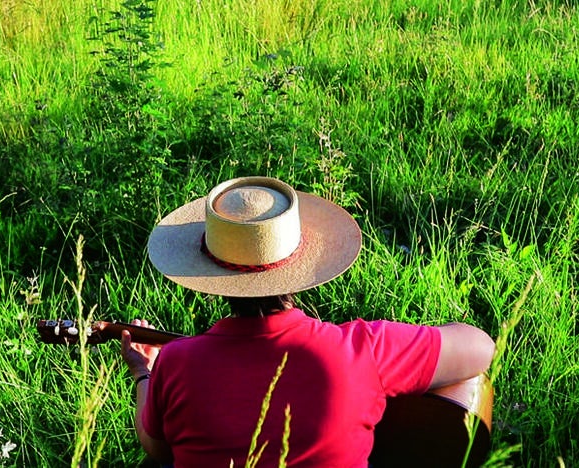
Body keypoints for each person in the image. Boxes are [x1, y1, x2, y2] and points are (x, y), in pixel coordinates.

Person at [121, 176, 495, 467]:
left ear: (208, 273)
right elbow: (481, 349)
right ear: (300, 267)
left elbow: (156, 449)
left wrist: (144, 373)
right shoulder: (362, 349)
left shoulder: (176, 363)